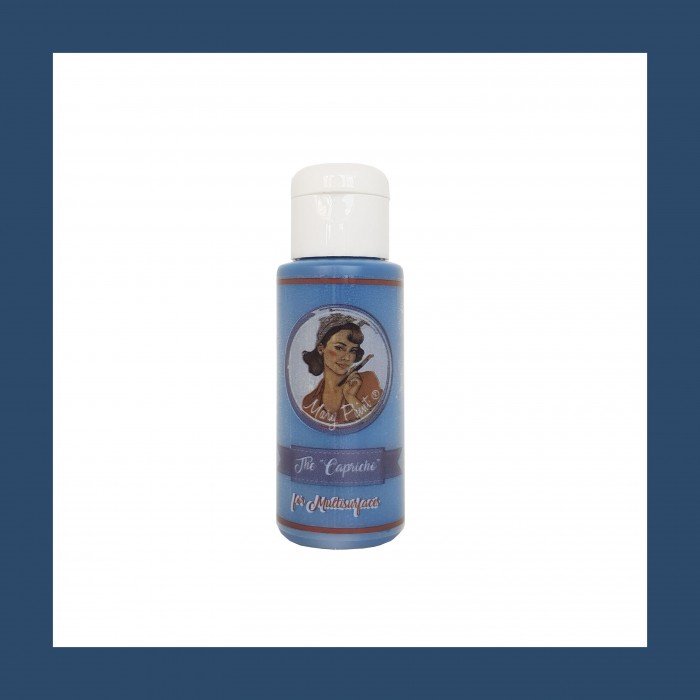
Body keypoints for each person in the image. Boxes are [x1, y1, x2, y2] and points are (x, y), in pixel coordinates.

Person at [301, 313, 382, 426]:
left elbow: (378, 425)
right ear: (321, 349)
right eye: (339, 348)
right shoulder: (309, 402)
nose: (347, 358)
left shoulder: (369, 381)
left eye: (352, 350)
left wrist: (351, 397)